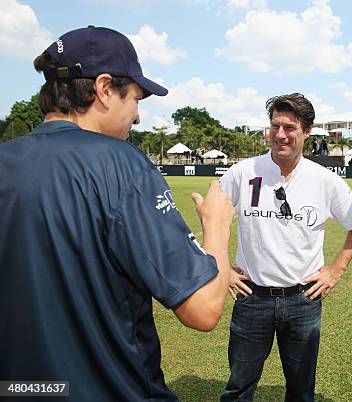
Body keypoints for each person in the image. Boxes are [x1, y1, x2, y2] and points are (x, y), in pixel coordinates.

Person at [0, 26, 234, 402]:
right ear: (105, 89)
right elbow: (203, 309)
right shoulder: (123, 165)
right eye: (137, 99)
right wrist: (217, 226)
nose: (138, 117)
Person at [219, 93, 352, 402]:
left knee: (301, 391)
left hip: (303, 300)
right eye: (275, 126)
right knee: (239, 387)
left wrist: (335, 270)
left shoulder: (324, 180)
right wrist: (221, 265)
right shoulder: (243, 172)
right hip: (252, 297)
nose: (280, 135)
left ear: (307, 131)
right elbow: (214, 216)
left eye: (290, 127)